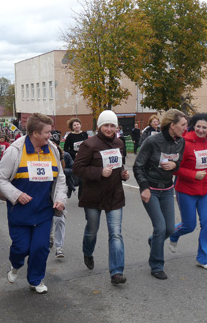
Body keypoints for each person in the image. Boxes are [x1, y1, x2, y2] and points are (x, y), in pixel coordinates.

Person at [0, 113, 67, 294]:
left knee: (40, 247)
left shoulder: (53, 150)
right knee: (21, 248)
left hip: (43, 211)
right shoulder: (15, 150)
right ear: (35, 133)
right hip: (20, 211)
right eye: (47, 132)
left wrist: (60, 199)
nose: (50, 136)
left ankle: (35, 279)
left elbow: (60, 178)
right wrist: (17, 195)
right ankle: (16, 265)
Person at [73, 110, 129, 285]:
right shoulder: (89, 145)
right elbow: (77, 169)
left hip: (114, 195)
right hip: (93, 195)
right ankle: (88, 252)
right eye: (106, 125)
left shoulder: (119, 143)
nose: (109, 129)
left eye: (112, 125)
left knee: (116, 234)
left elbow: (119, 165)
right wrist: (99, 172)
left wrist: (123, 174)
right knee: (92, 230)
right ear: (99, 126)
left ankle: (117, 272)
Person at [134, 109, 187, 280]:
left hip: (167, 188)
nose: (185, 128)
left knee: (170, 229)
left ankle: (154, 241)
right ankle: (156, 265)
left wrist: (175, 167)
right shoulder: (152, 141)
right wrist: (144, 187)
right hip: (151, 188)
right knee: (160, 227)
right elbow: (138, 166)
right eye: (183, 125)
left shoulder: (181, 142)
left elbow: (178, 163)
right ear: (173, 125)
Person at [168, 113, 207, 270]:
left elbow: (206, 165)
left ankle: (202, 257)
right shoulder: (184, 142)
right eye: (198, 126)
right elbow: (175, 169)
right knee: (189, 226)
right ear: (193, 126)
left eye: (205, 127)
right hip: (186, 190)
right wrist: (193, 175)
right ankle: (173, 234)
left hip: (205, 190)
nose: (201, 130)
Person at [49, 130, 68, 258]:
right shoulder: (41, 155)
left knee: (60, 220)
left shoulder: (63, 156)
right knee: (48, 220)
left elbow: (65, 174)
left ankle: (59, 247)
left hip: (57, 193)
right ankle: (49, 237)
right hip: (45, 195)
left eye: (55, 144)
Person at [63, 118, 89, 198]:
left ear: (80, 125)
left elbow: (88, 145)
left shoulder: (84, 134)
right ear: (72, 127)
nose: (77, 126)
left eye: (78, 124)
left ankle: (80, 196)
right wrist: (75, 153)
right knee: (75, 179)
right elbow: (66, 149)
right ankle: (70, 187)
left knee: (83, 179)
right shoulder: (70, 136)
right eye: (74, 125)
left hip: (84, 158)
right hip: (74, 159)